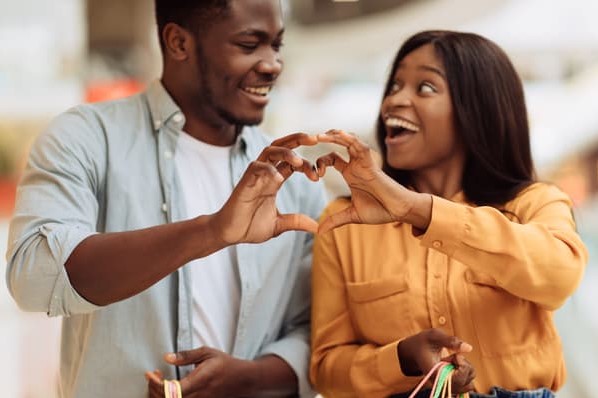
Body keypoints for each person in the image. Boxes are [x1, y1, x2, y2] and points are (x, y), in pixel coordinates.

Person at [5, 1, 328, 397]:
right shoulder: (86, 138)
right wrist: (210, 232)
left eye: (276, 45)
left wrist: (247, 378)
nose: (271, 64)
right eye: (249, 45)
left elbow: (317, 331)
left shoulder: (293, 180)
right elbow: (35, 276)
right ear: (178, 42)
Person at [309, 30, 588, 398]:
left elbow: (559, 275)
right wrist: (402, 360)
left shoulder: (535, 202)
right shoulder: (344, 220)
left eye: (425, 87)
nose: (394, 101)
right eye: (394, 86)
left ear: (479, 109)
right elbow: (327, 371)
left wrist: (416, 210)